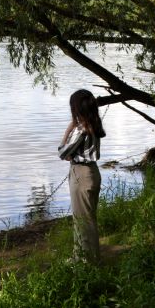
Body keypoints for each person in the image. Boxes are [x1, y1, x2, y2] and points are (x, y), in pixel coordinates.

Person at [58, 89, 106, 264]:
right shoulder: (94, 125)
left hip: (81, 174)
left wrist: (67, 131)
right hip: (92, 172)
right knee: (88, 217)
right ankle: (84, 258)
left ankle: (86, 262)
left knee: (82, 220)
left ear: (76, 108)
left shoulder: (80, 129)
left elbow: (62, 152)